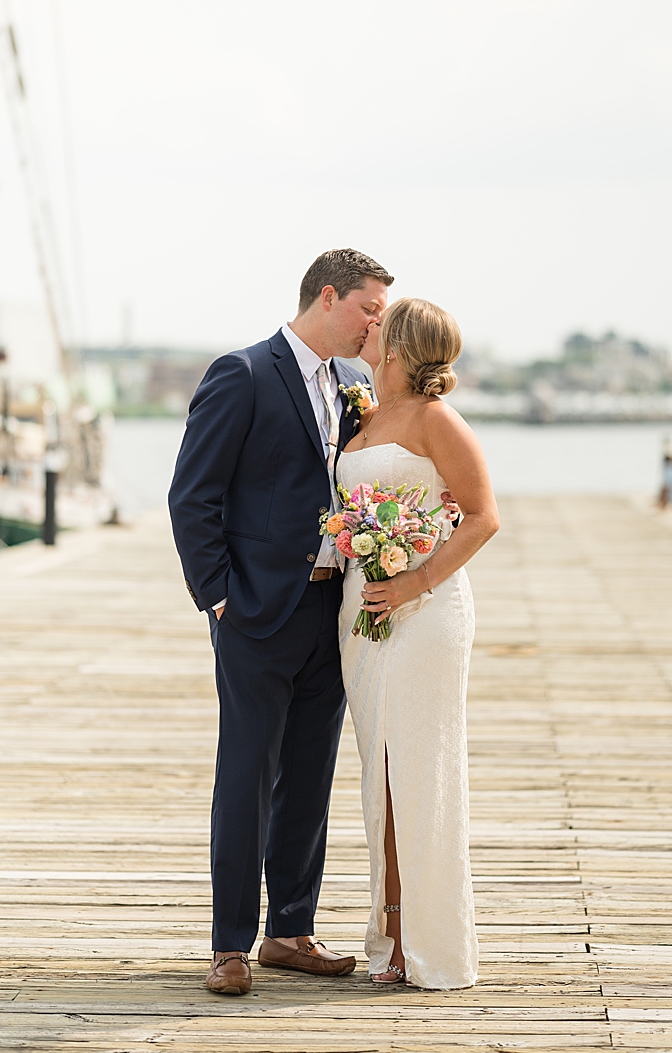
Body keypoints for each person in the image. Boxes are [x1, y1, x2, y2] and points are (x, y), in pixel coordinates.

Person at [169, 248, 393, 994]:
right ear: (328, 298)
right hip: (255, 612)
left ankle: (290, 928)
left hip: (331, 612)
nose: (376, 323)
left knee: (309, 775)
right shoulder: (243, 373)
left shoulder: (358, 382)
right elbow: (191, 496)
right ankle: (229, 943)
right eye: (369, 308)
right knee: (246, 773)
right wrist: (220, 597)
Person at [338, 296, 500, 987]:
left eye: (379, 324)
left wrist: (415, 581)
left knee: (417, 772)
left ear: (398, 347)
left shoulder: (438, 420)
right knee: (379, 774)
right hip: (361, 608)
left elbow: (484, 517)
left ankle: (422, 941)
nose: (368, 330)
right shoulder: (365, 415)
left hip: (424, 610)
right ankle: (390, 930)